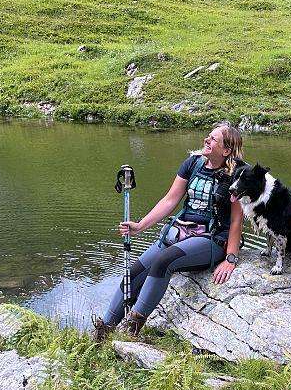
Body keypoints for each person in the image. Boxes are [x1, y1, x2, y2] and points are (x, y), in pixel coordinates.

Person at [91, 121, 246, 342]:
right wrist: (140, 225)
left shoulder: (238, 176)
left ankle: (132, 327)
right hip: (179, 231)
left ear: (227, 150)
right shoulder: (193, 163)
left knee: (164, 261)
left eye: (213, 139)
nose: (207, 140)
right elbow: (170, 200)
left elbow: (237, 218)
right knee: (133, 273)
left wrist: (231, 257)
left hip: (211, 239)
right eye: (208, 136)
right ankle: (104, 331)